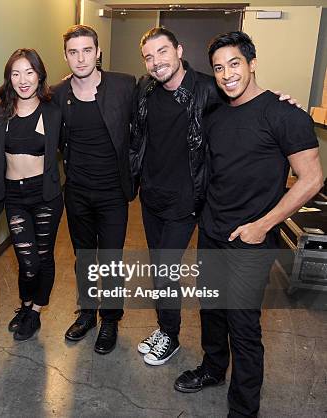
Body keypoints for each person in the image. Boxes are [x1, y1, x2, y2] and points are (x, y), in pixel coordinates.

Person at [174, 31, 323, 418]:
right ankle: (212, 369)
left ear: (252, 63)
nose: (227, 75)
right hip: (212, 230)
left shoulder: (285, 114)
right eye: (219, 68)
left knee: (243, 327)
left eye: (235, 63)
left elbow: (311, 179)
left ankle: (243, 408)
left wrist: (263, 224)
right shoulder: (215, 113)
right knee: (211, 311)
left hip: (251, 240)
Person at [130, 27, 223, 366]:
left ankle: (170, 336)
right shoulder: (146, 89)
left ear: (179, 50)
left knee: (166, 268)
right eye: (149, 57)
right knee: (158, 268)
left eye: (163, 52)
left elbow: (246, 103)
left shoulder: (207, 89)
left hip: (185, 199)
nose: (156, 62)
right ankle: (165, 327)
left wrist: (281, 101)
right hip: (151, 195)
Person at [52, 25, 135, 354]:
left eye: (87, 50)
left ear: (98, 52)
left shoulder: (124, 85)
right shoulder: (59, 93)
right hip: (77, 192)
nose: (81, 57)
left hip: (113, 192)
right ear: (66, 56)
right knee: (84, 257)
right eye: (73, 52)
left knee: (111, 260)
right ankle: (87, 312)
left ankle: (110, 319)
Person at [0, 49, 64, 341]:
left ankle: (34, 310)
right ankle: (24, 304)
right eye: (16, 73)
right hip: (14, 197)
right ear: (9, 78)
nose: (23, 80)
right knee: (27, 260)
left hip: (45, 195)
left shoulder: (53, 111)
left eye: (29, 72)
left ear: (39, 75)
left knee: (43, 257)